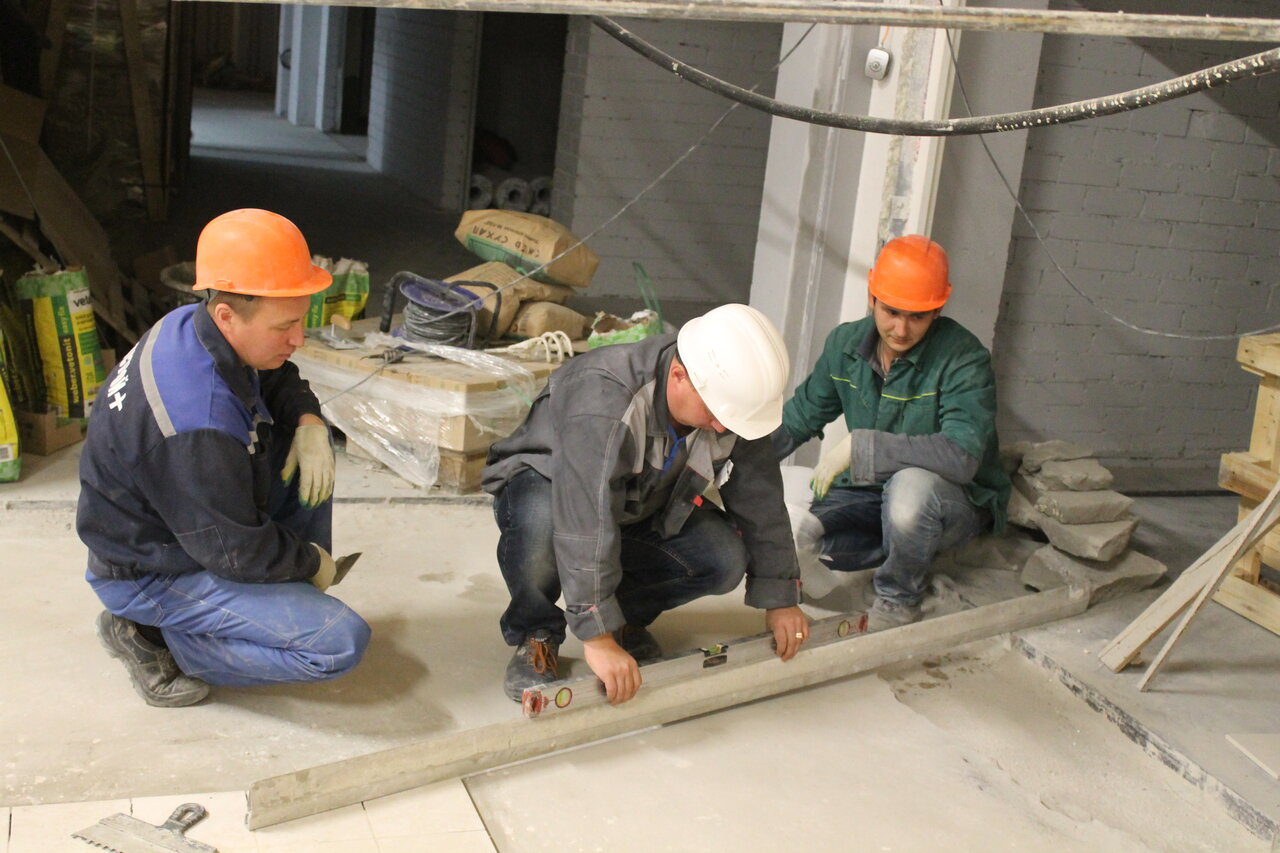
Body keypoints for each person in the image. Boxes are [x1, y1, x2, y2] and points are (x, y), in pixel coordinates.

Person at [78, 208, 371, 707]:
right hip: (152, 569)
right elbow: (236, 552)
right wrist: (308, 561)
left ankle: (269, 603)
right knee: (338, 643)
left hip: (184, 521)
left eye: (301, 320)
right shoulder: (197, 424)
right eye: (286, 325)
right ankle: (155, 636)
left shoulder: (190, 325)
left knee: (306, 454)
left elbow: (275, 374)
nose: (298, 339)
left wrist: (309, 422)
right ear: (227, 316)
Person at [484, 303, 810, 705]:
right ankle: (536, 632)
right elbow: (585, 514)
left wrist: (781, 596)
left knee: (723, 557)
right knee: (541, 527)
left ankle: (624, 617)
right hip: (551, 486)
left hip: (639, 500)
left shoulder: (728, 403)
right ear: (679, 376)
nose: (722, 427)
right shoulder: (603, 396)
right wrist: (597, 637)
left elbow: (760, 497)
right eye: (716, 413)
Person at [772, 235, 1011, 630]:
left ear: (938, 309)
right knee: (791, 522)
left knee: (909, 491)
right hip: (870, 493)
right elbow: (799, 416)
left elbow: (962, 456)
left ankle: (898, 598)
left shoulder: (963, 359)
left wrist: (864, 448)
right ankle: (844, 576)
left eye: (917, 317)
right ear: (872, 296)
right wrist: (731, 464)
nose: (900, 329)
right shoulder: (846, 345)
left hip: (949, 504)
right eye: (891, 312)